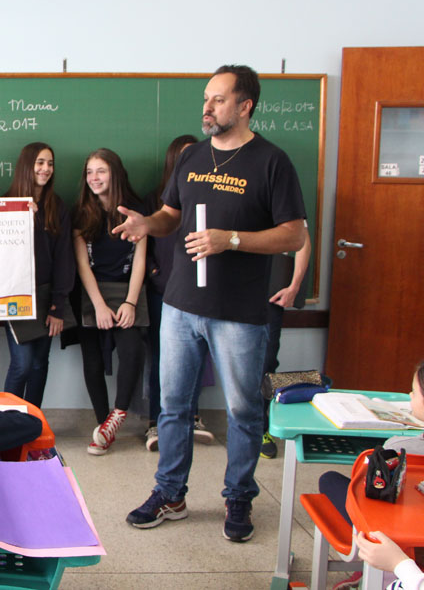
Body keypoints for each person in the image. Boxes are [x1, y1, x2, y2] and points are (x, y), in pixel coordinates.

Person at [115, 65, 306, 542]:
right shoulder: (192, 156)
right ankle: (170, 493)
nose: (207, 107)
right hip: (180, 306)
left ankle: (238, 498)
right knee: (173, 407)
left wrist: (231, 239)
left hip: (239, 313)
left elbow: (294, 234)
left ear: (245, 106)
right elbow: (170, 215)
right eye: (206, 98)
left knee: (243, 411)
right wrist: (147, 225)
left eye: (218, 99)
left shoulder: (272, 161)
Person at [319, 360, 424, 590]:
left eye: (414, 392)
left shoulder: (398, 447)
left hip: (387, 534)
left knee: (329, 480)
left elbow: (369, 487)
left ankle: (365, 572)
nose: (410, 395)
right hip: (410, 542)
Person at [142, 136, 216, 452]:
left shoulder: (210, 195)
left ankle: (192, 417)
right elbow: (145, 241)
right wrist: (154, 273)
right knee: (162, 358)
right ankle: (156, 421)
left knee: (195, 356)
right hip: (163, 291)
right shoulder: (155, 200)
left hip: (199, 292)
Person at [72, 148, 148, 456]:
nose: (94, 178)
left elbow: (141, 259)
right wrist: (99, 306)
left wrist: (130, 302)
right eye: (89, 172)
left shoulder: (136, 210)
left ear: (115, 173)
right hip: (93, 293)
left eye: (101, 171)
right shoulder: (81, 212)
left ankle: (116, 417)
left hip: (128, 290)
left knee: (132, 351)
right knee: (91, 360)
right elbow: (82, 264)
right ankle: (102, 423)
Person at [1, 142, 73, 408]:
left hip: (47, 294)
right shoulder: (6, 204)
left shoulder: (57, 207)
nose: (45, 169)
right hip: (15, 295)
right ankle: (8, 418)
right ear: (26, 166)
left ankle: (33, 420)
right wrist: (24, 220)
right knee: (22, 364)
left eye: (50, 163)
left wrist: (58, 305)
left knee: (40, 363)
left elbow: (64, 257)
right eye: (40, 163)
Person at [259, 231, 311, 459]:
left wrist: (294, 286)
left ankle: (261, 428)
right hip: (237, 288)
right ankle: (243, 424)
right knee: (238, 363)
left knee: (267, 361)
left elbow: (303, 241)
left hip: (272, 287)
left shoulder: (286, 205)